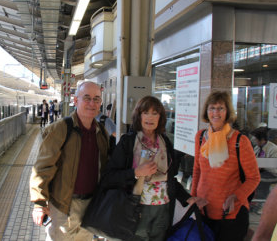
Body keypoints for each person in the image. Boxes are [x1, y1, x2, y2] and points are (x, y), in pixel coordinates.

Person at [100, 95, 201, 241]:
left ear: (160, 117)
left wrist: (187, 198)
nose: (150, 117)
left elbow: (170, 178)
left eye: (155, 113)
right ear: (139, 115)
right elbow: (110, 177)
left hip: (163, 211)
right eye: (146, 112)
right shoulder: (128, 142)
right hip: (135, 210)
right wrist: (136, 172)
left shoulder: (164, 142)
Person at [30, 81, 109, 241]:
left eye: (96, 99)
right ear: (75, 100)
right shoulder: (60, 129)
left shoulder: (101, 132)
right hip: (63, 206)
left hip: (91, 206)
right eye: (86, 98)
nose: (92, 103)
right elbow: (43, 167)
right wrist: (39, 203)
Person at [191, 91, 260, 241]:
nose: (215, 112)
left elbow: (254, 177)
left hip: (231, 214)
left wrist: (236, 197)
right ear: (206, 111)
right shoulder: (201, 137)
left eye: (220, 108)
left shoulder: (240, 141)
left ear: (227, 111)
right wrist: (193, 198)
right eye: (212, 108)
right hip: (204, 210)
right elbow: (197, 170)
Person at [251, 127, 277, 200]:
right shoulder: (257, 148)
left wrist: (263, 165)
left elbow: (274, 168)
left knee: (256, 181)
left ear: (262, 139)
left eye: (255, 139)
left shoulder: (274, 149)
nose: (254, 141)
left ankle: (260, 201)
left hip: (270, 175)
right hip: (259, 172)